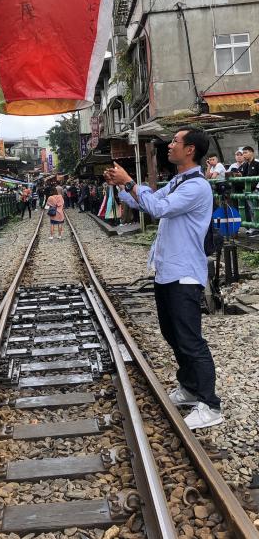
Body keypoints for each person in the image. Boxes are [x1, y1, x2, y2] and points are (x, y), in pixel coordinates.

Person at [105, 128, 223, 430]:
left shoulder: (196, 187)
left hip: (184, 273)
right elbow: (144, 202)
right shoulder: (178, 181)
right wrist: (120, 188)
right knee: (172, 334)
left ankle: (210, 404)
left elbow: (157, 208)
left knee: (190, 339)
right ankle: (188, 387)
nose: (169, 146)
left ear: (190, 150)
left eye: (175, 142)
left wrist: (131, 183)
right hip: (168, 270)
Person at [237, 146, 259, 235]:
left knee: (256, 209)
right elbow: (242, 175)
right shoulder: (245, 165)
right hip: (248, 190)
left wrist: (257, 188)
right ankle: (255, 227)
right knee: (252, 209)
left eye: (246, 152)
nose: (244, 155)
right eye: (243, 153)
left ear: (252, 152)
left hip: (256, 190)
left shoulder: (257, 163)